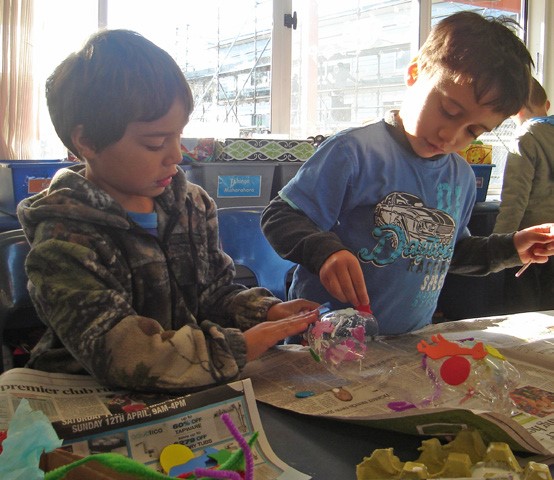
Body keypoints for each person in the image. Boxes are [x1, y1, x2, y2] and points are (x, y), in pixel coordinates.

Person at [16, 29, 319, 392]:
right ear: (87, 141)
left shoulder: (192, 205)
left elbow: (214, 294)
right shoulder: (64, 239)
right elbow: (125, 353)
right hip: (89, 391)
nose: (176, 155)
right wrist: (241, 346)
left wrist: (265, 311)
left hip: (191, 380)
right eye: (155, 142)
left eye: (178, 136)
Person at [261, 12, 554, 336]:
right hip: (326, 340)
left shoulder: (461, 177)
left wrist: (511, 248)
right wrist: (325, 251)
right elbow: (279, 216)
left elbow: (449, 252)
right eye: (449, 111)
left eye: (472, 130)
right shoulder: (355, 152)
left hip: (407, 342)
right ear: (415, 73)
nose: (450, 136)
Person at [493, 77, 554, 313]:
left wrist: (498, 246)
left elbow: (514, 200)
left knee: (524, 313)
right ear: (546, 105)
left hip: (532, 244)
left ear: (514, 110)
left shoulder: (525, 138)